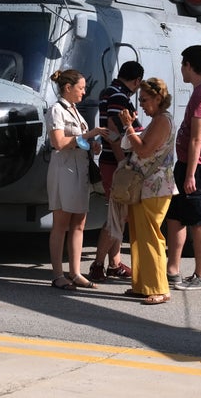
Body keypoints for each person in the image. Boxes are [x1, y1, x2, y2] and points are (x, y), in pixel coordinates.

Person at [165, 45, 201, 291]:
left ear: (189, 65)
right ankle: (172, 270)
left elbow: (197, 139)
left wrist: (190, 174)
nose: (181, 70)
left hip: (195, 166)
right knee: (176, 218)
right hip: (187, 164)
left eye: (182, 65)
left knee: (198, 221)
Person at [45, 68, 108, 290]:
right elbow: (59, 143)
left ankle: (75, 272)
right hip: (64, 172)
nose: (84, 92)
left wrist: (92, 145)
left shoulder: (75, 111)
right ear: (68, 88)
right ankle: (57, 274)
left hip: (80, 171)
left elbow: (78, 141)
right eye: (80, 88)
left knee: (79, 223)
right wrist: (88, 135)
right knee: (61, 224)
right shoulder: (56, 111)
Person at [119, 78, 176, 305]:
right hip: (147, 186)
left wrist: (128, 127)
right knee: (139, 237)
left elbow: (143, 151)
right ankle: (143, 285)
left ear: (158, 98)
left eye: (144, 100)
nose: (140, 104)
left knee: (151, 236)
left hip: (155, 186)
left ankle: (159, 288)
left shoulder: (162, 120)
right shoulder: (158, 119)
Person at [89, 61, 144, 283]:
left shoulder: (109, 92)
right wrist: (124, 164)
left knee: (118, 216)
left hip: (110, 161)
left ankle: (114, 264)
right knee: (116, 216)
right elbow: (113, 131)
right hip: (116, 163)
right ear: (137, 81)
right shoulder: (120, 98)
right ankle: (98, 264)